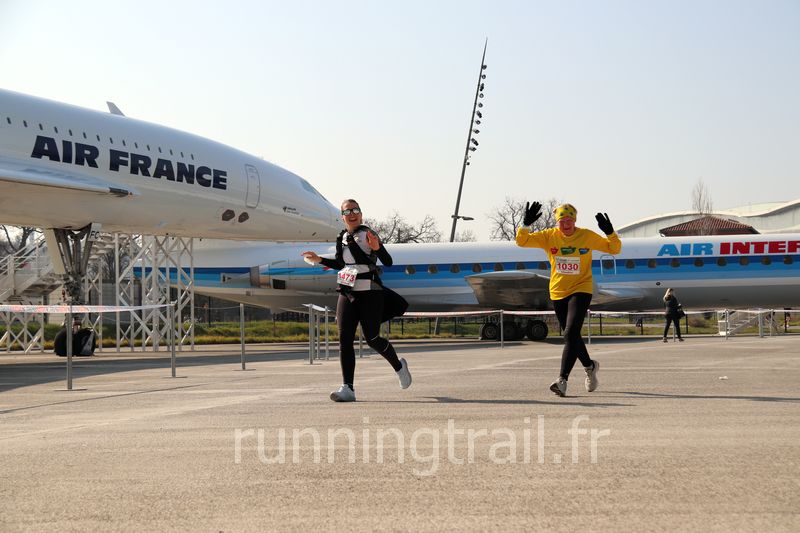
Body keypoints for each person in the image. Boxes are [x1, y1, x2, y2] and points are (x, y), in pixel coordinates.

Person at [302, 199, 411, 402]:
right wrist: (319, 260)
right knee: (344, 339)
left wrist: (377, 248)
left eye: (355, 210)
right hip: (347, 291)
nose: (352, 214)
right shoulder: (341, 237)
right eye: (347, 211)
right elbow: (340, 263)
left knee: (372, 339)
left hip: (370, 291)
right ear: (342, 217)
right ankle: (348, 388)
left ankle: (399, 366)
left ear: (361, 214)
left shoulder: (368, 234)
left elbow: (388, 261)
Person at [516, 202, 621, 397]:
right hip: (558, 292)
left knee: (570, 333)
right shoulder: (549, 236)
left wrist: (610, 232)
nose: (566, 224)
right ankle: (590, 366)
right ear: (557, 222)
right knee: (572, 336)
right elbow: (522, 241)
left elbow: (614, 249)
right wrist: (525, 224)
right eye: (562, 221)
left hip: (581, 288)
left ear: (575, 221)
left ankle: (562, 380)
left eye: (569, 220)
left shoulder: (586, 236)